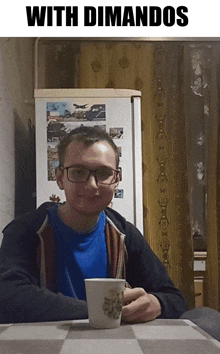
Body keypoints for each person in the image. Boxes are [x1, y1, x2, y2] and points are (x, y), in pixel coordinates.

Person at [0, 126, 187, 323]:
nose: (91, 185)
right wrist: (102, 310)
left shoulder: (125, 234)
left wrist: (156, 303)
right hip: (45, 348)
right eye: (78, 172)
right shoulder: (25, 230)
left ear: (116, 179)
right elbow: (9, 296)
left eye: (103, 173)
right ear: (59, 178)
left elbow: (174, 299)